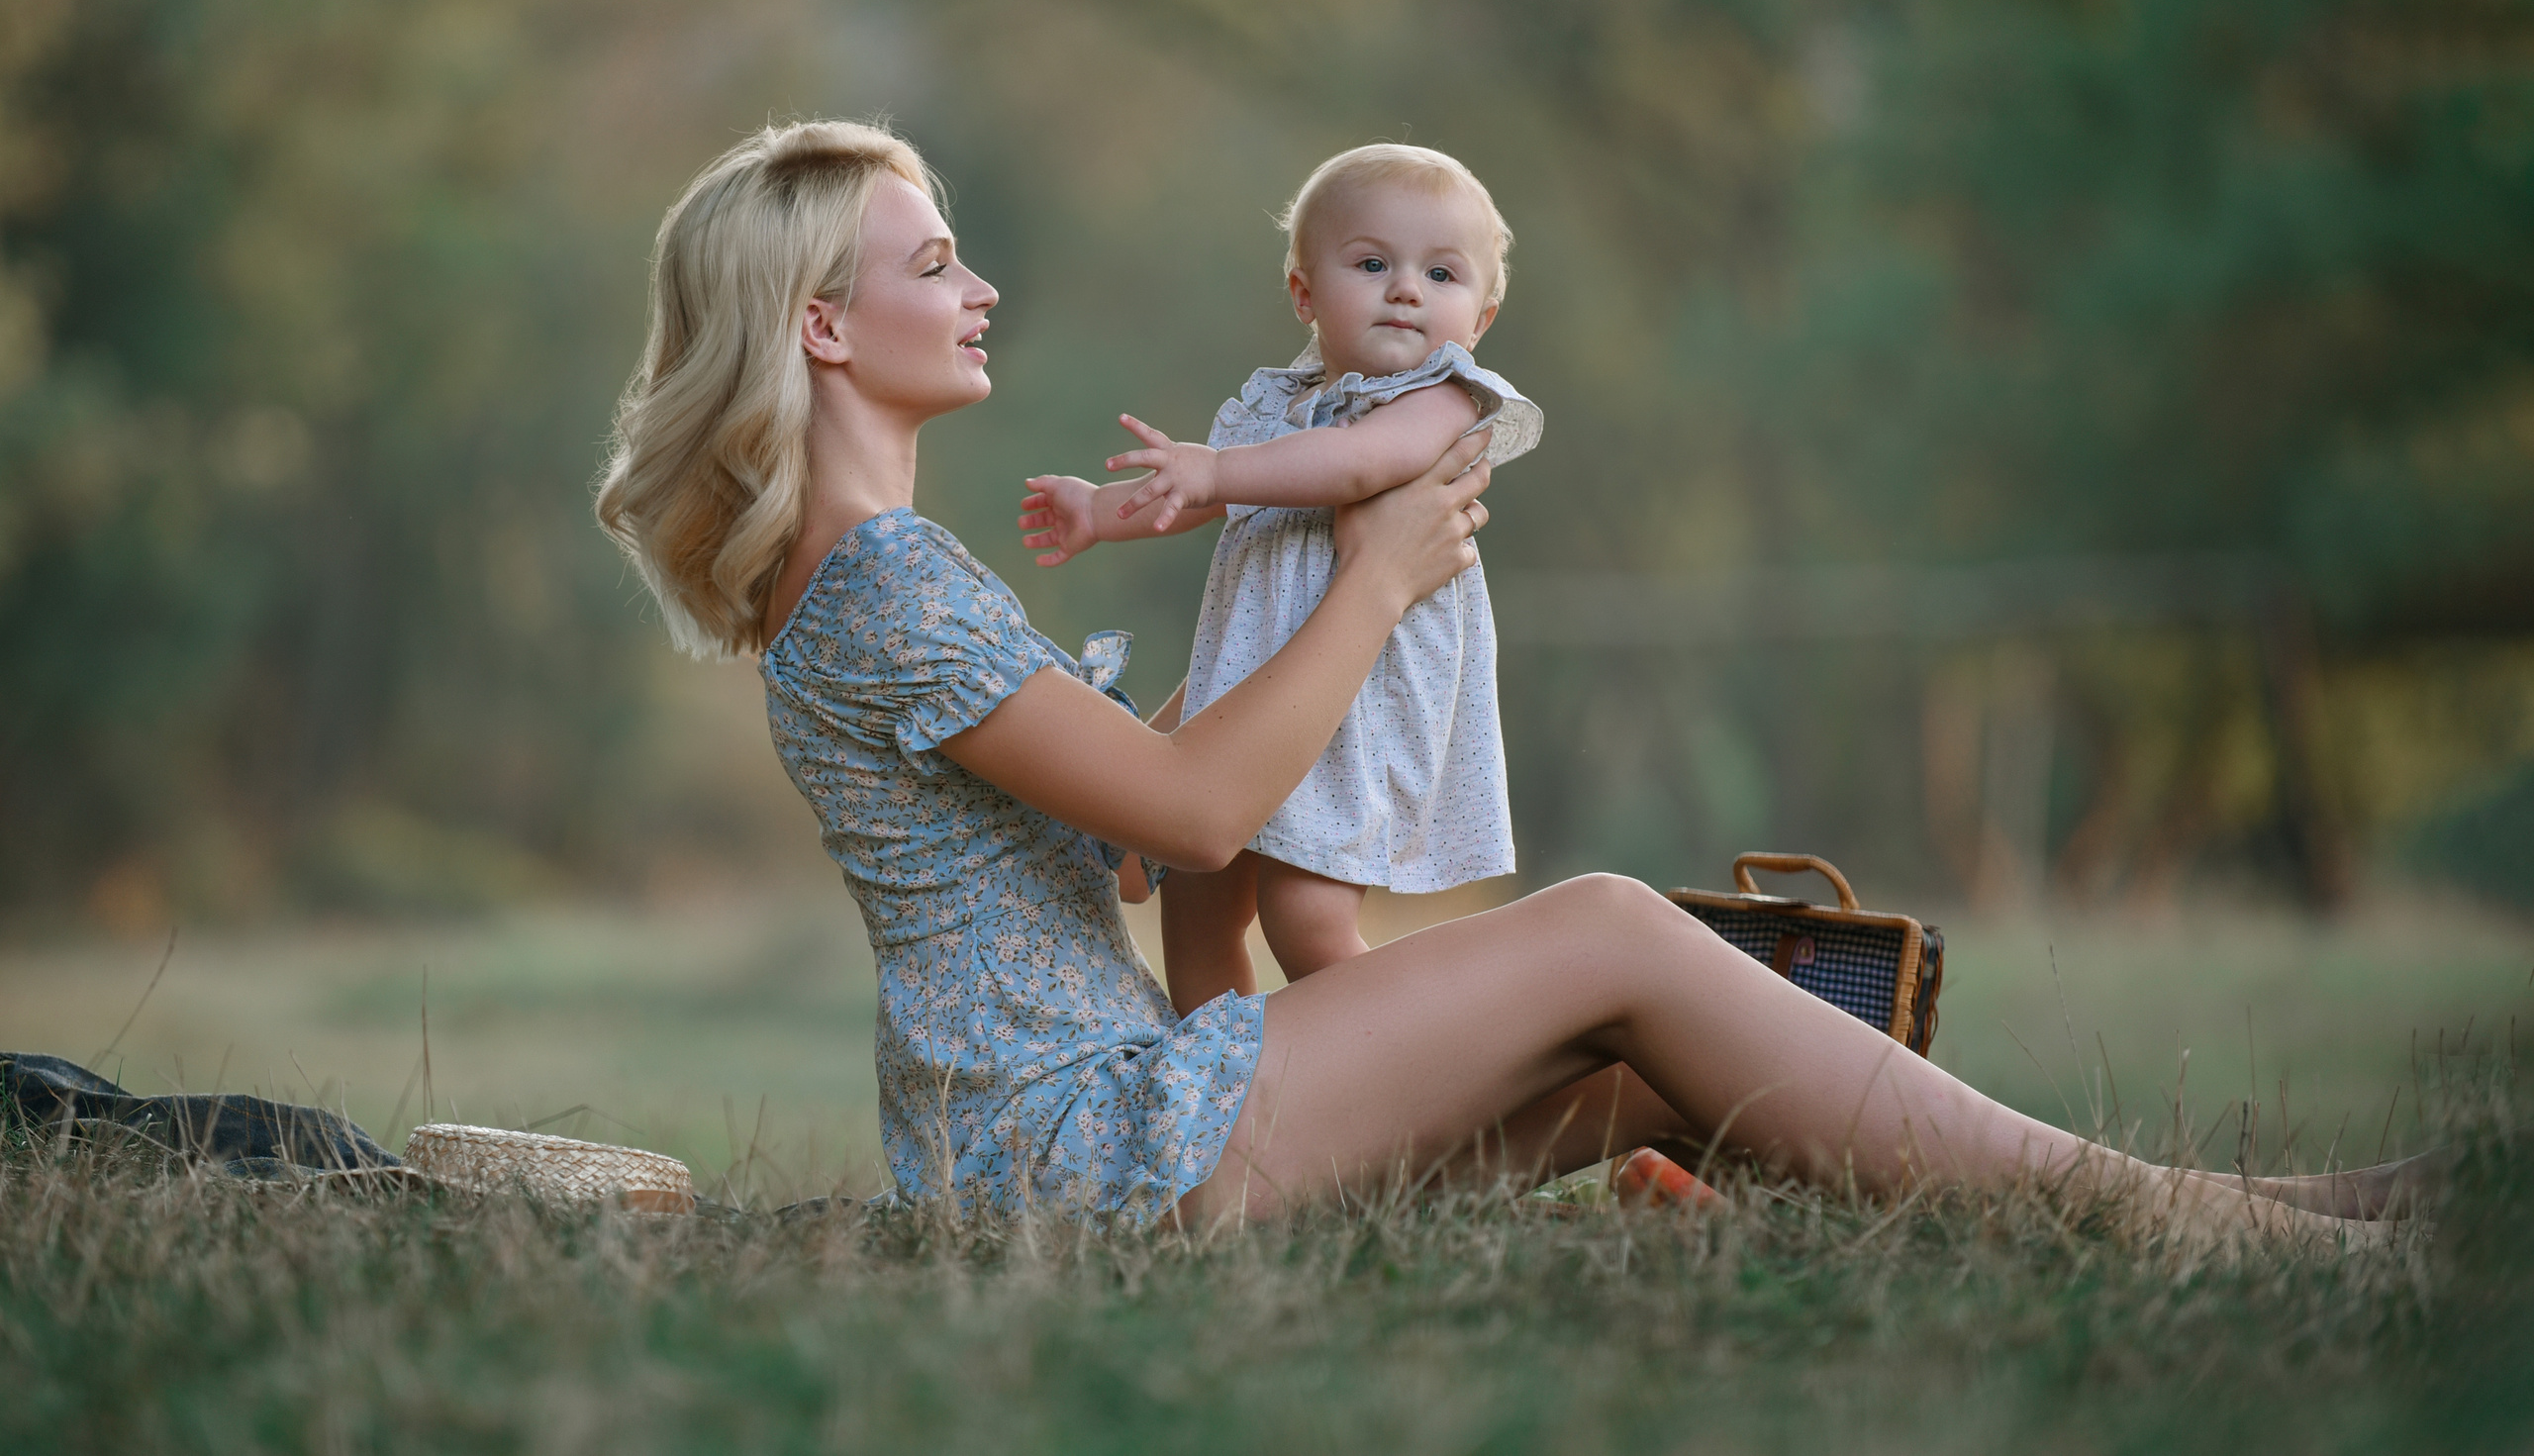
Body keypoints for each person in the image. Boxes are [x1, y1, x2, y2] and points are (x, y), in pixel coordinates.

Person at [596, 118, 2417, 1237]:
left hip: (1086, 1137)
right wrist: (1375, 580)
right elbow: (1205, 814)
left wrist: (1238, 658)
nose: (978, 282)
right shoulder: (888, 578)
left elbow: (1128, 845)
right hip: (1086, 1152)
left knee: (1658, 1045)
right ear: (826, 322)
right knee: (1613, 928)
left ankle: (2237, 1204)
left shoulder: (871, 580)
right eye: (935, 260)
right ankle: (2197, 1220)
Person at [1016, 144, 1540, 1012]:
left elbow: (1354, 466)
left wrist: (1220, 473)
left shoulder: (1446, 397)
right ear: (1305, 292)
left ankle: (1416, 1076)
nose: (1406, 288)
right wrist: (1100, 512)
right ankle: (1230, 1096)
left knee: (1308, 918)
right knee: (1197, 904)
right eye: (1372, 263)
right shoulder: (1280, 410)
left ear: (1481, 315)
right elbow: (1204, 489)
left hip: (1357, 705)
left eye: (1441, 273)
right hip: (1250, 694)